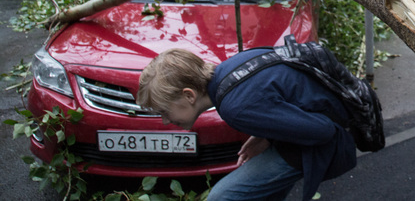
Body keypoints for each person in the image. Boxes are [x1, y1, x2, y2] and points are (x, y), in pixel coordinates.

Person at [137, 47, 357, 201]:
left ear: (189, 95)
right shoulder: (230, 69)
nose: (166, 120)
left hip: (325, 139)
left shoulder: (234, 109)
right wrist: (264, 134)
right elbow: (277, 100)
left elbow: (323, 130)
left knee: (222, 197)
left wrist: (272, 136)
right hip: (327, 119)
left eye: (165, 111)